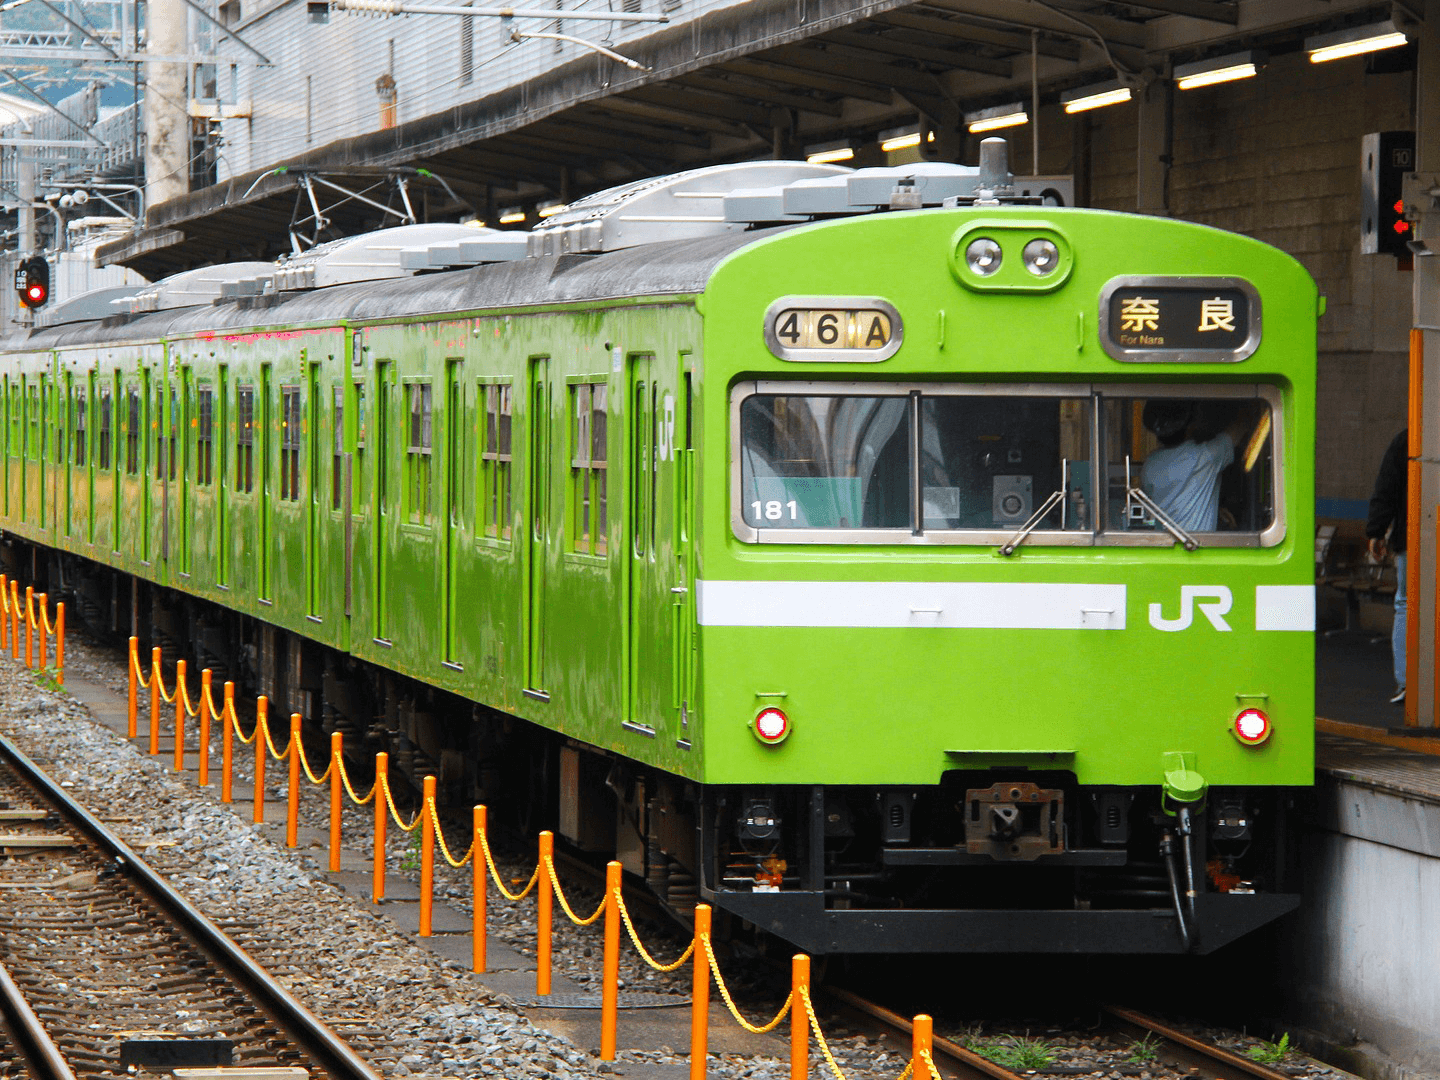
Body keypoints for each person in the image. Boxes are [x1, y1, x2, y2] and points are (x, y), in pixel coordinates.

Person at [1140, 400, 1259, 533]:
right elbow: (1241, 425)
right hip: (1196, 547)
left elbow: (1169, 502)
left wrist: (1215, 509)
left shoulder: (1150, 464)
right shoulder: (1204, 456)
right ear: (1190, 423)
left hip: (1166, 548)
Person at [1365, 429, 1408, 705]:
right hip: (1412, 537)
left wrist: (1376, 530)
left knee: (1406, 604)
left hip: (1413, 537)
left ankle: (1407, 683)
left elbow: (1387, 487)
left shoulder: (1409, 437)